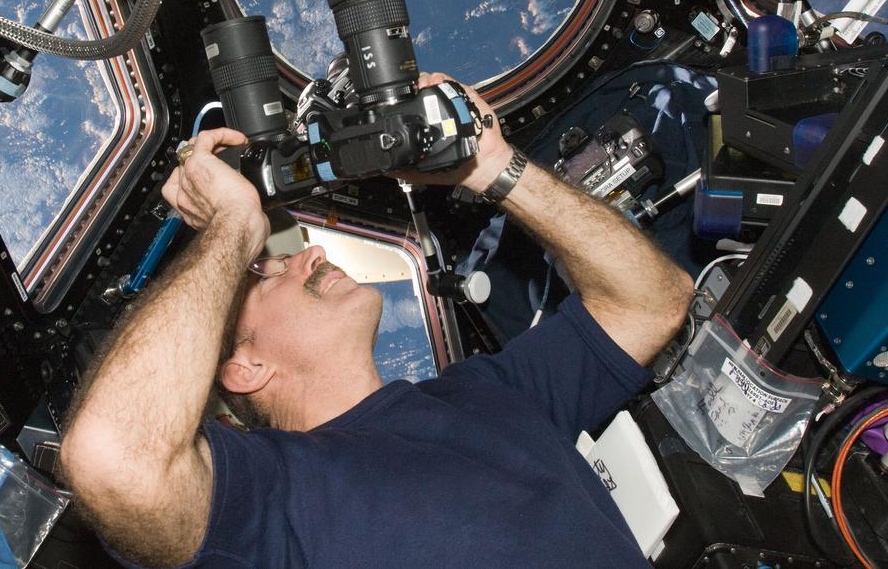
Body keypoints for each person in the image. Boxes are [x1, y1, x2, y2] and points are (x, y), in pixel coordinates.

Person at [60, 73, 693, 569]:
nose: (307, 254)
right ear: (244, 367)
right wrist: (233, 227)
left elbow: (653, 300)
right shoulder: (271, 504)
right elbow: (115, 459)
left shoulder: (488, 394)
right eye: (267, 272)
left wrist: (493, 169)